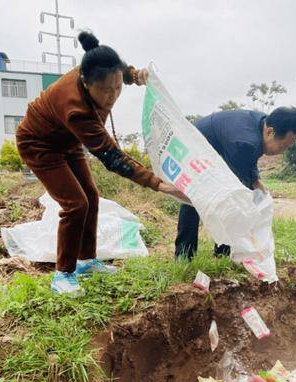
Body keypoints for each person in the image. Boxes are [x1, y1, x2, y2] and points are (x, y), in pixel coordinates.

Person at [16, 31, 188, 294]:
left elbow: (117, 70)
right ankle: (63, 275)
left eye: (117, 87)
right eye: (106, 90)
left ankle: (86, 260)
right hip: (40, 144)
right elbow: (111, 157)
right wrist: (158, 184)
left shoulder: (100, 68)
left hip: (67, 140)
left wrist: (132, 75)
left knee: (92, 197)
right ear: (86, 83)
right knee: (76, 204)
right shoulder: (76, 110)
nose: (113, 95)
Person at [174, 107, 296, 260]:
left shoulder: (263, 123)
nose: (283, 151)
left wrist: (256, 180)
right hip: (193, 149)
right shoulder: (244, 142)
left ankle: (223, 252)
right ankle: (186, 255)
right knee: (196, 199)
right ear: (270, 132)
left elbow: (250, 158)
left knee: (233, 202)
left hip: (217, 149)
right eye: (284, 146)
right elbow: (236, 186)